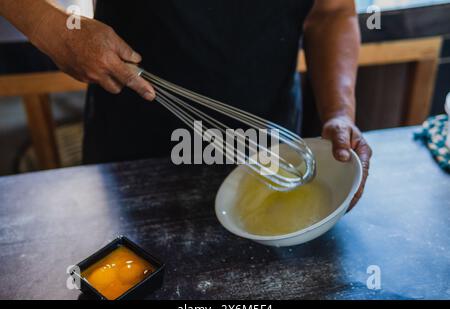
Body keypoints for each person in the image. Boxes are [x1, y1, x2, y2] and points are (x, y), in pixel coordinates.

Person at [0, 0, 371, 208]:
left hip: (269, 152)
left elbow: (331, 13)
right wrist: (56, 29)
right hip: (134, 156)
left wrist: (339, 111)